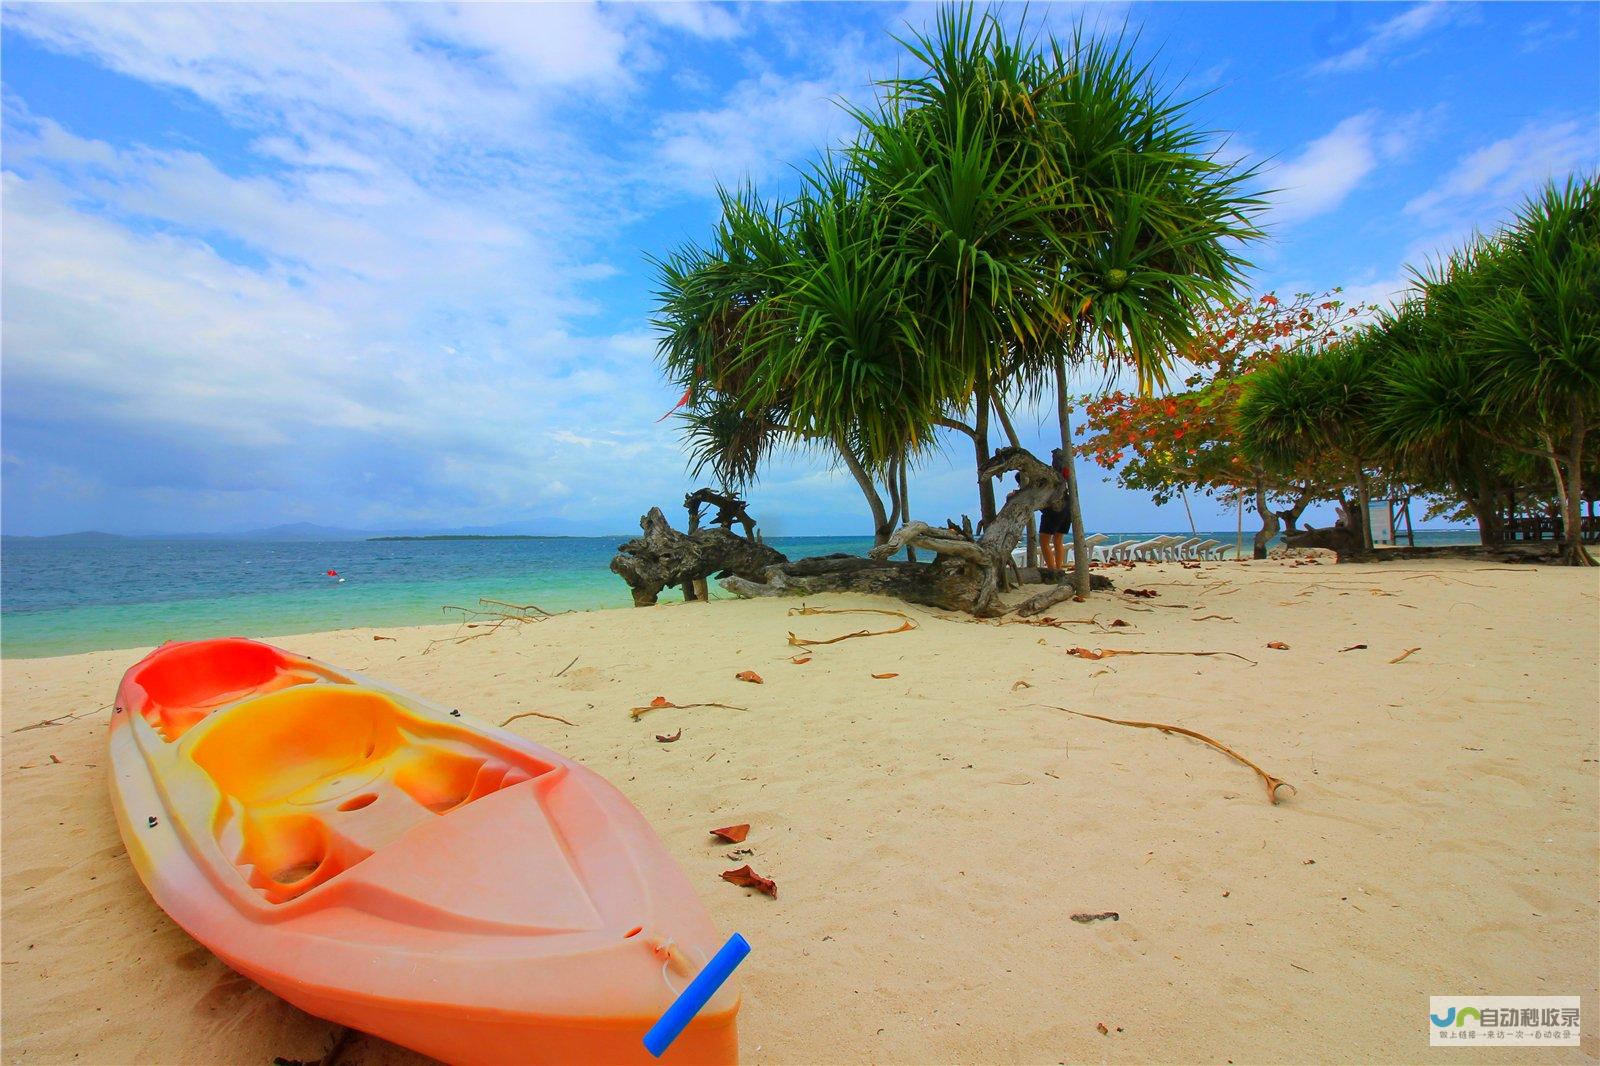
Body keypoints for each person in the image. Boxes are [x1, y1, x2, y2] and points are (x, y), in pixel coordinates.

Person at [1038, 468, 1073, 573]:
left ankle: (1052, 570)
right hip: (1067, 510)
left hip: (1053, 512)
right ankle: (1058, 568)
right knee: (1058, 541)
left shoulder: (1041, 485)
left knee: (1044, 543)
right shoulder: (1060, 484)